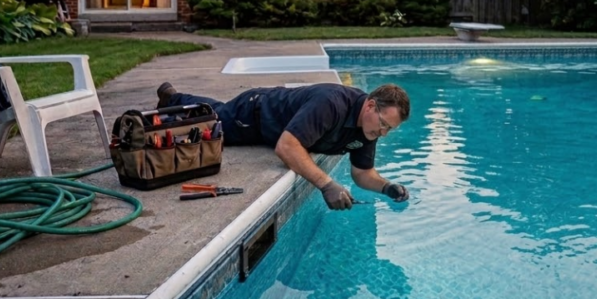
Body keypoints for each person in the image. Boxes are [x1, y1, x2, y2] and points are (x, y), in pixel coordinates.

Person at [156, 82, 411, 210]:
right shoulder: (331, 103)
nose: (384, 133)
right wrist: (327, 184)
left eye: (390, 129)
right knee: (210, 125)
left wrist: (386, 187)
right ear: (369, 106)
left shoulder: (370, 129)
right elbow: (287, 147)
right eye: (384, 124)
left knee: (217, 111)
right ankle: (172, 99)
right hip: (255, 114)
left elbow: (362, 173)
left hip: (273, 126)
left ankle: (174, 97)